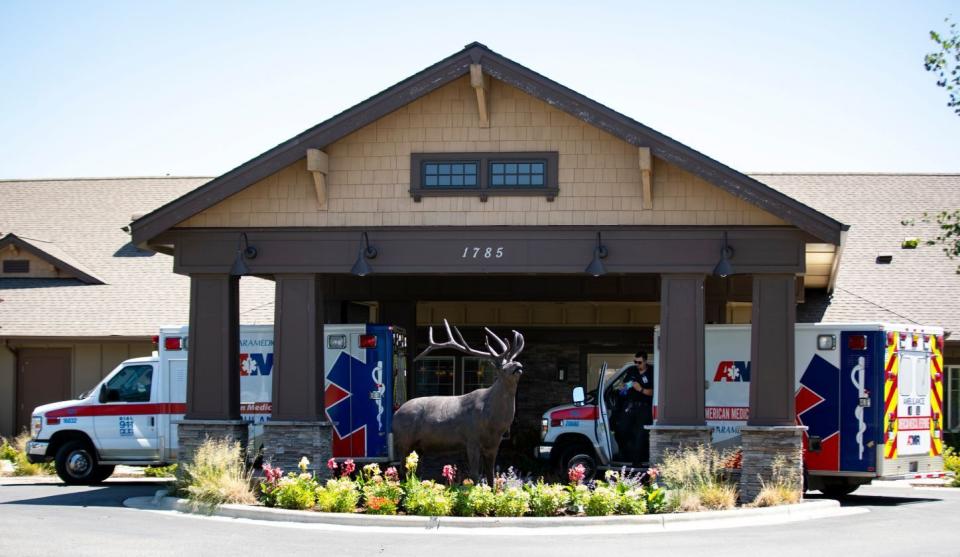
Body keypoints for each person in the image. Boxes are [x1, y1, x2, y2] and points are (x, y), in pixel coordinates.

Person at [614, 351, 654, 466]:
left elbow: (654, 392)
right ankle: (624, 456)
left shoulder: (651, 372)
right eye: (635, 362)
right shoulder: (632, 370)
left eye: (639, 362)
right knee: (621, 430)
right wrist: (624, 387)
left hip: (644, 408)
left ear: (645, 361)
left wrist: (640, 389)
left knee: (640, 435)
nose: (637, 364)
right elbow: (623, 387)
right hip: (630, 406)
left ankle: (637, 462)